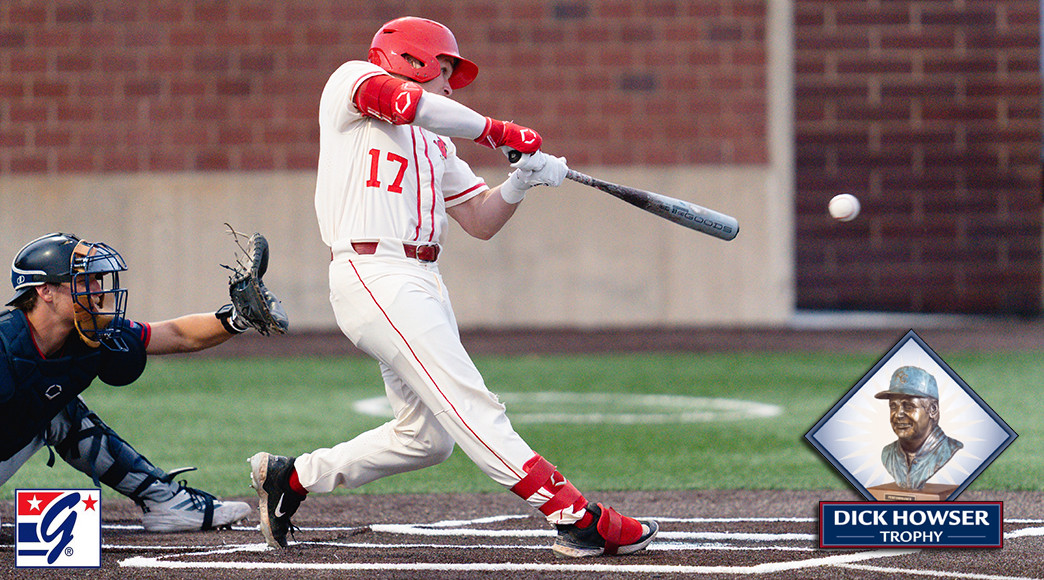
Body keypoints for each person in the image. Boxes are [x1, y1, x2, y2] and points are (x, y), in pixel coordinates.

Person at [249, 16, 657, 558]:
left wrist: (521, 180)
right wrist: (501, 133)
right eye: (443, 70)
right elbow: (408, 105)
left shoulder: (437, 146)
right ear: (410, 60)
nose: (449, 83)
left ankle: (293, 477)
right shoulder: (350, 85)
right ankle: (576, 517)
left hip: (422, 281)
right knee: (472, 405)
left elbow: (481, 221)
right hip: (374, 274)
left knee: (426, 439)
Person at [1, 232, 262, 532]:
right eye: (85, 280)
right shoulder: (6, 344)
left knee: (64, 412)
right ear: (45, 290)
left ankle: (167, 502)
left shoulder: (88, 334)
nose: (98, 290)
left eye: (97, 279)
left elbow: (177, 335)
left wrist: (238, 318)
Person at [876, 366, 964, 490]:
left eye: (909, 406)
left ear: (932, 410)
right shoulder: (888, 454)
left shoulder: (948, 449)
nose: (898, 414)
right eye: (893, 406)